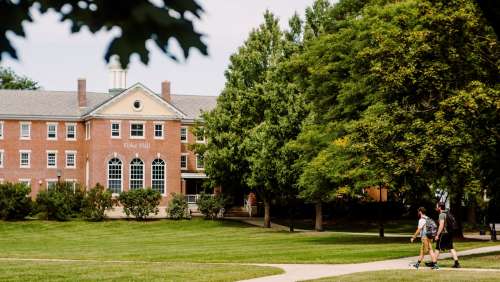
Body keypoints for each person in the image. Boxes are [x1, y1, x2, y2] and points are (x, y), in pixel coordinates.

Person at [434, 202, 460, 268]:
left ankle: (434, 262)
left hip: (444, 233)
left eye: (437, 206)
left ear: (440, 207)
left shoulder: (441, 214)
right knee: (451, 247)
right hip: (450, 233)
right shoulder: (448, 213)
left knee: (438, 247)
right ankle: (457, 263)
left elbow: (441, 225)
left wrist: (437, 234)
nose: (436, 208)